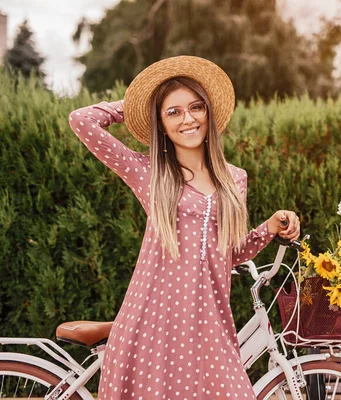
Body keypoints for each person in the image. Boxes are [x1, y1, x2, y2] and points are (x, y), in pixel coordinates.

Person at [68, 55, 300, 400]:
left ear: (208, 113)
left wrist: (269, 227)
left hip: (210, 327)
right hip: (152, 324)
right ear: (159, 124)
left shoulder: (235, 179)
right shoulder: (148, 173)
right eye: (173, 112)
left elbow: (230, 254)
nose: (187, 119)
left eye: (195, 107)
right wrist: (138, 104)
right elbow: (81, 120)